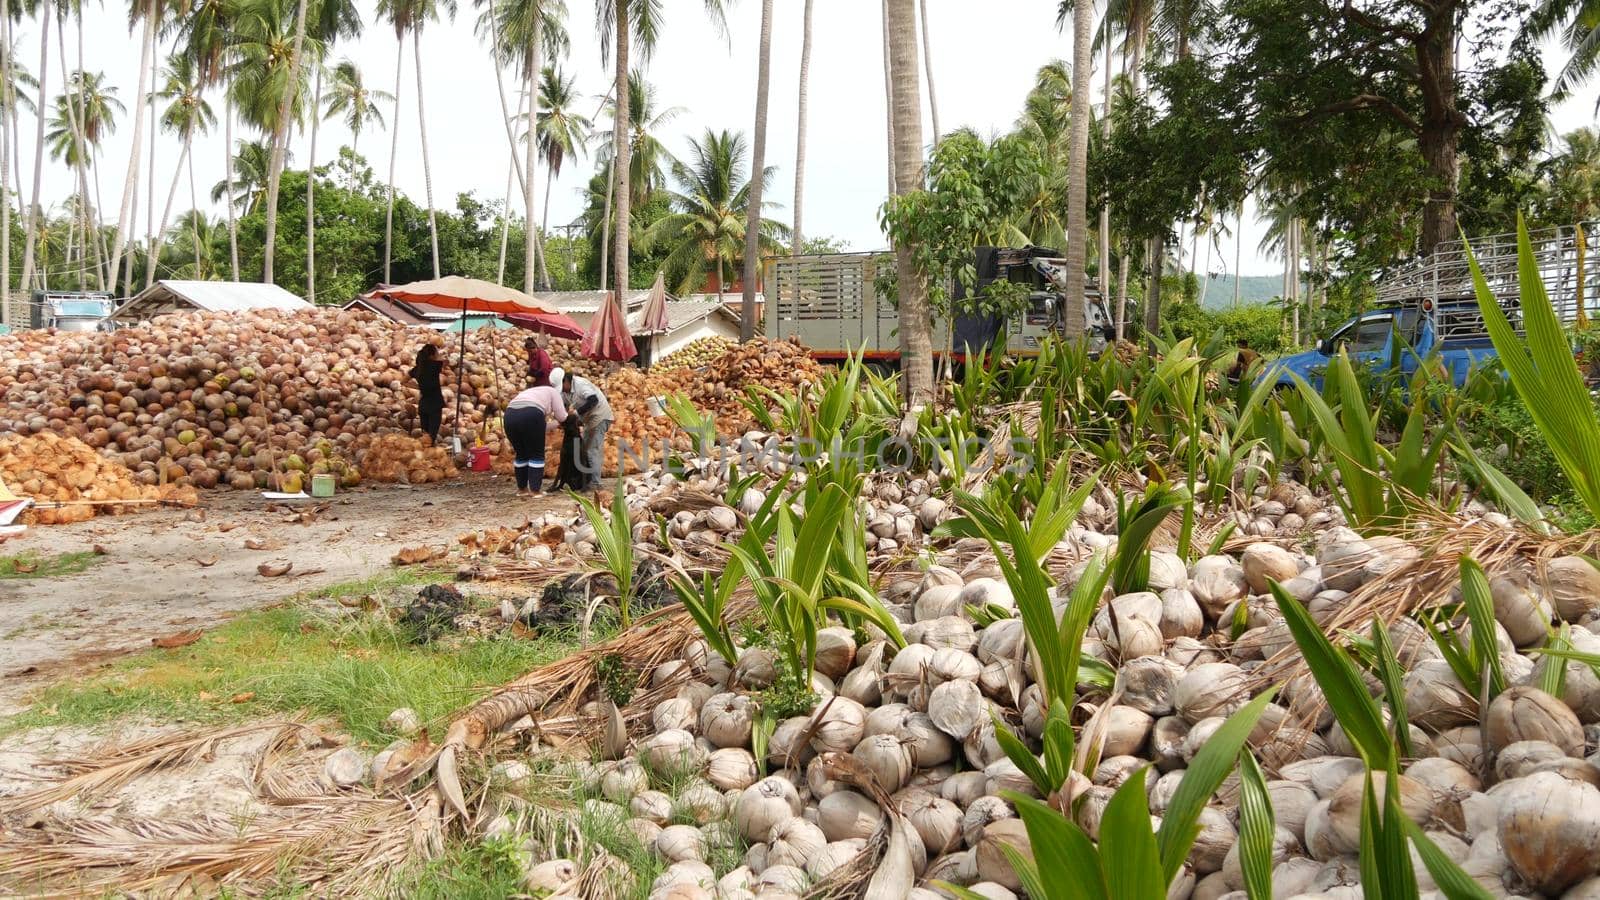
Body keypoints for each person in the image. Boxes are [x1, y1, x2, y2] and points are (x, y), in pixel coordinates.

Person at [503, 367, 566, 493]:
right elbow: (562, 417)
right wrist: (567, 420)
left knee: (521, 454)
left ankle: (522, 490)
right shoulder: (553, 392)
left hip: (509, 416)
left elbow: (540, 427)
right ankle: (535, 491)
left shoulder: (532, 391)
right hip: (532, 414)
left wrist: (554, 425)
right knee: (536, 454)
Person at [562, 371, 613, 490]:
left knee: (591, 449)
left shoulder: (581, 385)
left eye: (562, 386)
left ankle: (596, 483)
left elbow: (593, 400)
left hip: (599, 417)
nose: (561, 389)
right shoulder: (564, 391)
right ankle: (587, 479)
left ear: (567, 381)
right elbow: (563, 406)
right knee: (584, 449)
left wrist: (577, 413)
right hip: (588, 420)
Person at [408, 344, 445, 446]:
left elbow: (403, 380)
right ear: (431, 356)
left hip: (423, 405)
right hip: (434, 405)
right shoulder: (435, 366)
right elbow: (444, 360)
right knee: (431, 438)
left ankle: (425, 454)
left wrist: (418, 387)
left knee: (425, 435)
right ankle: (429, 456)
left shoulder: (417, 369)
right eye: (436, 353)